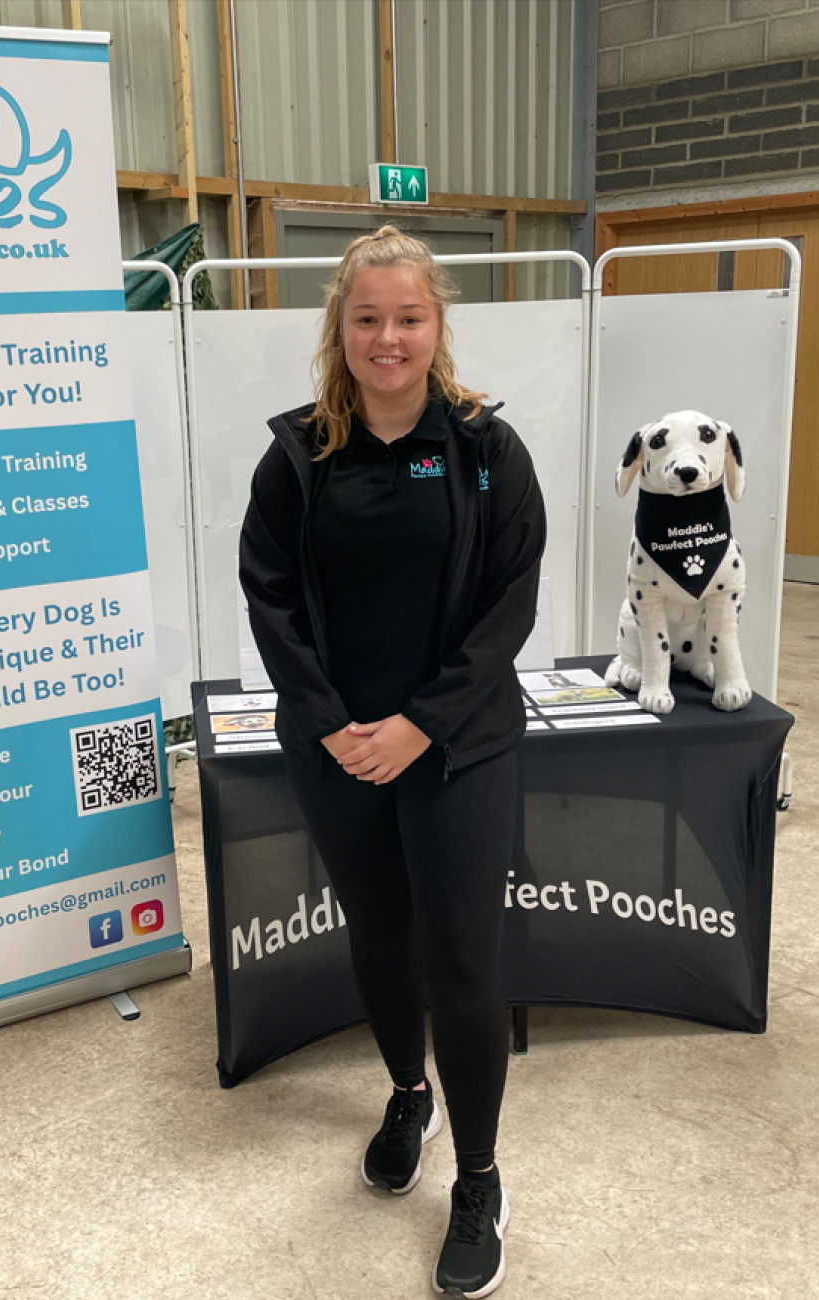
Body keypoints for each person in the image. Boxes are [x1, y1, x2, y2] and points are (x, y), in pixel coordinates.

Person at [239, 225, 546, 1298]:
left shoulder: (484, 452)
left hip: (457, 745)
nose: (386, 336)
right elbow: (269, 599)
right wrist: (331, 725)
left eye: (406, 316)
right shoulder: (297, 456)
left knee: (460, 959)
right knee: (376, 931)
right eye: (366, 317)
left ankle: (478, 1177)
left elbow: (511, 605)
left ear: (435, 325)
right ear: (341, 326)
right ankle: (405, 1092)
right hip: (339, 751)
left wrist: (420, 724)